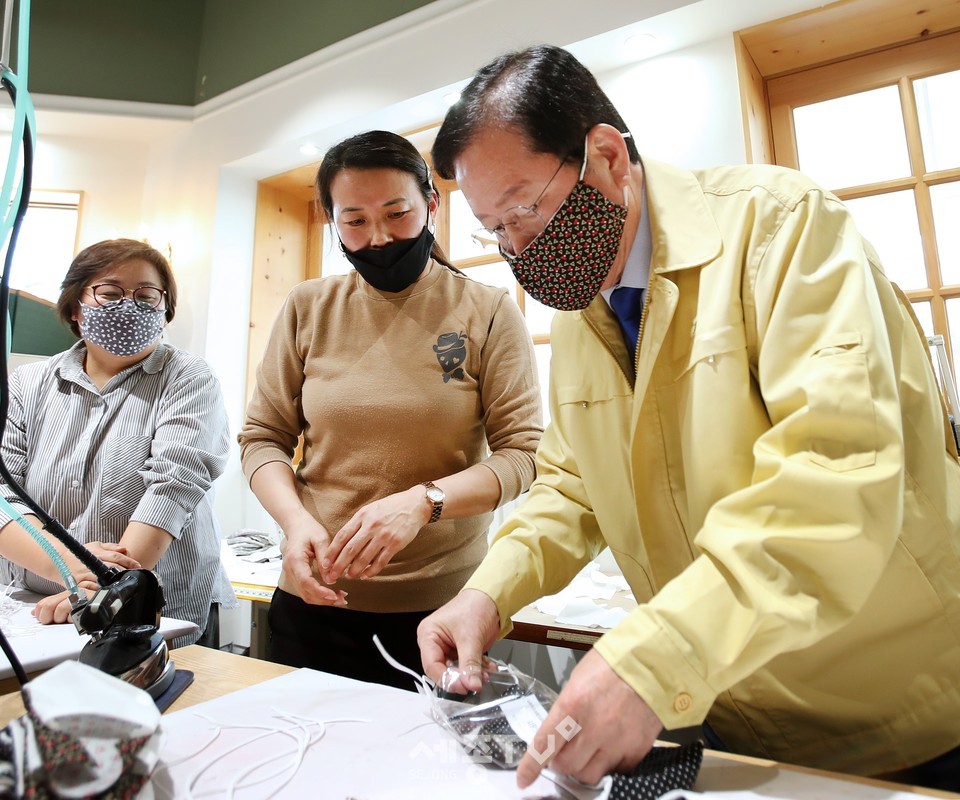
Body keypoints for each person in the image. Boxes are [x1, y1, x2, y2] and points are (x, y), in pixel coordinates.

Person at [417, 44, 960, 792]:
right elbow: (572, 487)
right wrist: (490, 592)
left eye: (527, 211)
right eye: (495, 230)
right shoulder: (585, 311)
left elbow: (834, 475)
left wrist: (658, 654)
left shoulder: (782, 228)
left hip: (900, 710)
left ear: (606, 156)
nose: (519, 250)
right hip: (731, 710)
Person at [237, 130, 542, 690]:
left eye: (396, 213)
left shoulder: (487, 310)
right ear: (332, 224)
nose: (377, 238)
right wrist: (295, 521)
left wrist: (424, 503)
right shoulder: (309, 307)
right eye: (353, 221)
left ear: (431, 204)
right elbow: (262, 438)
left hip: (439, 614)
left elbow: (523, 456)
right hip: (311, 600)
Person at [0, 238, 235, 648]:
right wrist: (74, 570)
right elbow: (4, 495)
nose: (129, 306)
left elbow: (172, 487)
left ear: (164, 313)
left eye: (146, 296)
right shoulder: (27, 383)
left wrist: (109, 589)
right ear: (75, 306)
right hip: (36, 611)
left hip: (153, 609)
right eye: (109, 293)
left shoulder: (188, 378)